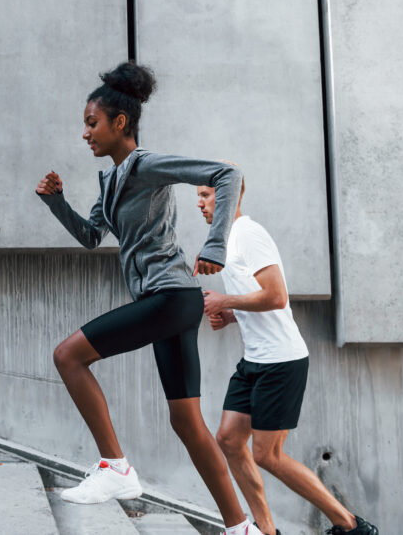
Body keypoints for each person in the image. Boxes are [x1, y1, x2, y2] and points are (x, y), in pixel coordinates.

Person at [36, 61, 258, 535]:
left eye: (91, 123)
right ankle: (241, 528)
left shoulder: (144, 164)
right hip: (174, 303)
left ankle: (115, 468)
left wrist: (215, 243)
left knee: (68, 356)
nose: (85, 134)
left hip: (170, 295)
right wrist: (56, 202)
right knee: (186, 421)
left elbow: (227, 174)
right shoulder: (111, 181)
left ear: (120, 123)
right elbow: (92, 236)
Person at [196, 180, 379, 535]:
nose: (199, 203)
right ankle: (265, 530)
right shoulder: (229, 238)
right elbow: (260, 298)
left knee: (268, 455)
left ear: (229, 195)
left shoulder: (249, 233)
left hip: (281, 361)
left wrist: (225, 301)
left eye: (205, 195)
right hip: (255, 361)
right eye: (198, 197)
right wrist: (233, 314)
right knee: (230, 440)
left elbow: (277, 295)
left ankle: (351, 526)